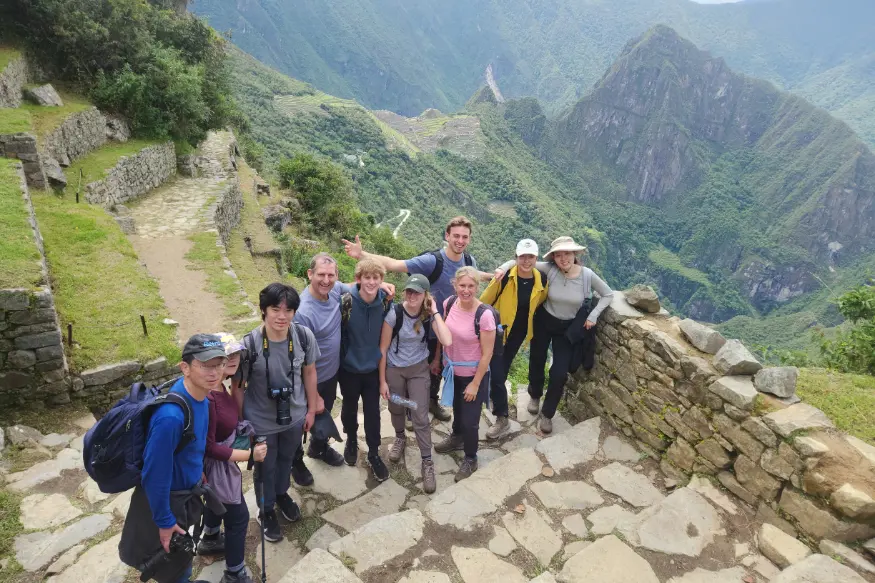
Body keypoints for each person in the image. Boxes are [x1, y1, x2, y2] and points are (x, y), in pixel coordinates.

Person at [343, 216, 491, 422]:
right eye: (456, 235)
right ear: (447, 236)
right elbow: (394, 264)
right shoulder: (433, 261)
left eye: (464, 237)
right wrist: (362, 255)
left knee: (437, 371)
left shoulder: (469, 262)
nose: (460, 240)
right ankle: (408, 409)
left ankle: (430, 402)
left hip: (449, 329)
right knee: (416, 372)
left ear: (469, 239)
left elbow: (475, 275)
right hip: (422, 328)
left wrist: (494, 275)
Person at [119, 334, 226, 583]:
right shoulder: (171, 417)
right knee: (173, 567)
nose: (214, 372)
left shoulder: (201, 396)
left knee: (183, 559)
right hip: (168, 502)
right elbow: (154, 476)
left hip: (185, 495)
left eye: (219, 364)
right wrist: (165, 522)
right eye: (206, 365)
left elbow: (192, 445)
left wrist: (196, 470)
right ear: (185, 368)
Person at [291, 253, 396, 484]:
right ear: (310, 274)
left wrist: (383, 284)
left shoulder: (338, 292)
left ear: (337, 277)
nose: (326, 280)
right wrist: (313, 393)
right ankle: (296, 461)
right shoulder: (305, 311)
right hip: (316, 374)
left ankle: (321, 448)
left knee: (332, 412)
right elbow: (298, 358)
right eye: (321, 275)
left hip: (333, 372)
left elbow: (357, 285)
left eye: (330, 275)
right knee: (302, 420)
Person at [231, 283, 321, 543]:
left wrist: (311, 409)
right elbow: (237, 387)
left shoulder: (303, 337)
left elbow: (310, 372)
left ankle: (281, 494)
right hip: (260, 421)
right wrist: (241, 423)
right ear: (263, 310)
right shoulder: (249, 344)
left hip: (294, 416)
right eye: (275, 309)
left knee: (286, 460)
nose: (282, 316)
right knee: (264, 468)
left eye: (289, 310)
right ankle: (265, 509)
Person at [496, 236, 614, 433]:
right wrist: (502, 267)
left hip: (567, 329)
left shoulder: (586, 275)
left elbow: (608, 294)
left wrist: (593, 315)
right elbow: (521, 261)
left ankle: (548, 413)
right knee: (537, 359)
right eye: (558, 255)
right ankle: (535, 395)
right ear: (553, 258)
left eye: (567, 253)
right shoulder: (550, 269)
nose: (563, 258)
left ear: (574, 254)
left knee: (559, 373)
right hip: (543, 321)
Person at [197, 335, 267, 583]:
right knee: (237, 517)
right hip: (216, 466)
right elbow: (210, 448)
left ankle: (211, 537)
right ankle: (234, 573)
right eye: (227, 355)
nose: (234, 359)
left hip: (218, 464)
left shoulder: (219, 384)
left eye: (236, 354)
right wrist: (250, 455)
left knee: (215, 500)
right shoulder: (208, 399)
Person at [378, 274, 452, 493]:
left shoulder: (428, 314)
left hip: (419, 369)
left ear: (425, 296)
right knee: (397, 406)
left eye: (417, 293)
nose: (412, 296)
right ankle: (400, 438)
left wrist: (435, 311)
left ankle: (427, 461)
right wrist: (382, 380)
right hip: (394, 370)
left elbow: (446, 340)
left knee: (419, 413)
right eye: (409, 291)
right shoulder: (395, 314)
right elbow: (382, 348)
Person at [479, 238, 548, 439]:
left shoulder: (541, 280)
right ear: (516, 257)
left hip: (518, 332)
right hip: (497, 329)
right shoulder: (505, 277)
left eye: (531, 257)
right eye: (522, 256)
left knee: (504, 366)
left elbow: (539, 303)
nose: (526, 261)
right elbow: (484, 302)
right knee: (498, 372)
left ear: (536, 258)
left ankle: (495, 396)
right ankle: (502, 418)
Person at [433, 266, 496, 482]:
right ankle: (457, 437)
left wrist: (476, 384)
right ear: (455, 285)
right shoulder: (449, 304)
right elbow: (444, 334)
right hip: (453, 370)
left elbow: (487, 354)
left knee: (471, 420)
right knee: (458, 410)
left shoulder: (484, 315)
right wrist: (437, 360)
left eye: (471, 286)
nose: (466, 290)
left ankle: (471, 457)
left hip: (473, 374)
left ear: (478, 287)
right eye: (462, 285)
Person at [338, 259, 392, 481]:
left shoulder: (386, 303)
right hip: (349, 368)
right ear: (358, 279)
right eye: (366, 277)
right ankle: (351, 439)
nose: (371, 282)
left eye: (376, 278)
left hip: (371, 368)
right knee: (349, 408)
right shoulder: (347, 302)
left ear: (381, 280)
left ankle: (373, 452)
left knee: (373, 413)